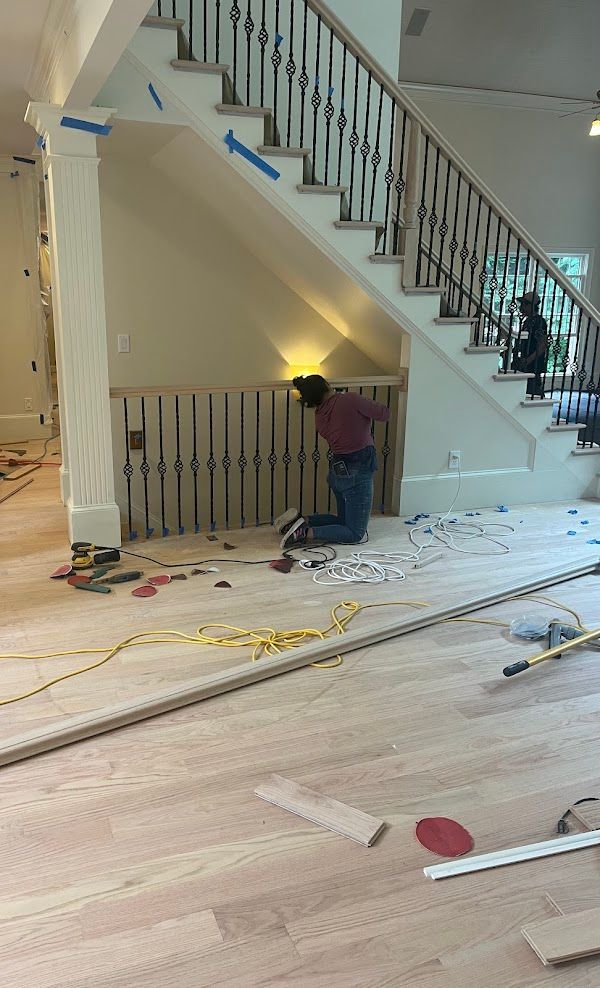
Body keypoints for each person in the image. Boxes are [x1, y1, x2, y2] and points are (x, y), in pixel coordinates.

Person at [274, 375, 390, 550]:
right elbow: (384, 413)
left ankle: (300, 521)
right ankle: (304, 533)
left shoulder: (320, 415)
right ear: (327, 385)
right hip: (358, 471)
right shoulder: (350, 399)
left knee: (343, 521)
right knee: (354, 533)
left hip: (338, 472)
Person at [513, 291, 550, 397]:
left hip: (533, 365)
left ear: (531, 306)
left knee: (533, 392)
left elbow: (542, 345)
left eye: (524, 304)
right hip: (526, 363)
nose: (521, 307)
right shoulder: (528, 321)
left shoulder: (539, 322)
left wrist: (528, 361)